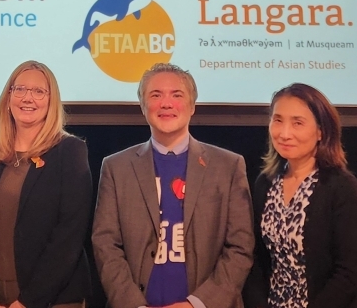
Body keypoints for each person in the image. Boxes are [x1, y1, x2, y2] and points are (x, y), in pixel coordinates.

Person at [92, 63, 254, 308]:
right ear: (142, 106)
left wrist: (197, 304)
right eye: (155, 95)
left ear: (192, 106)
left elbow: (241, 248)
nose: (166, 103)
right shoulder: (116, 167)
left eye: (176, 95)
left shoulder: (229, 166)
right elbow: (105, 245)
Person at [0, 60, 93, 308]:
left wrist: (27, 302)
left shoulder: (70, 151)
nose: (28, 98)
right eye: (20, 89)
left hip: (55, 300)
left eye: (38, 91)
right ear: (9, 96)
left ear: (51, 100)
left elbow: (69, 236)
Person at [243, 83, 357, 308]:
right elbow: (257, 262)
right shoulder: (265, 183)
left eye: (298, 123)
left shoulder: (341, 186)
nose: (284, 133)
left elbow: (348, 273)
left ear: (321, 131)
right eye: (278, 120)